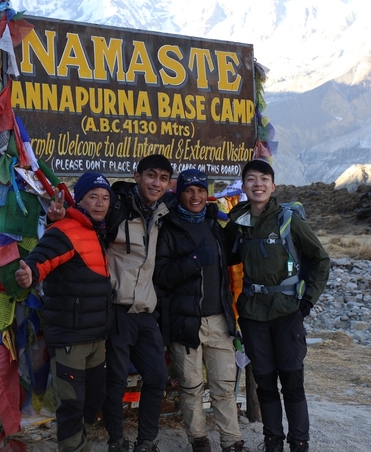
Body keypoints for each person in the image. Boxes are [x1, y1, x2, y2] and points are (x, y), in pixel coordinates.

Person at [225, 160, 330, 452]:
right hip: (252, 314)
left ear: (273, 186)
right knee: (265, 383)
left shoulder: (289, 219)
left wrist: (307, 301)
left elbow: (319, 259)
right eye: (251, 179)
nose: (257, 184)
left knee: (292, 382)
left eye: (263, 179)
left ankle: (299, 442)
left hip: (287, 314)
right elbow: (224, 256)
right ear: (244, 186)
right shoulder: (238, 221)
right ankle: (273, 441)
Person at [14, 172, 114, 452]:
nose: (100, 203)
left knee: (94, 398)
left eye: (105, 198)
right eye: (93, 196)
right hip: (71, 336)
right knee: (72, 402)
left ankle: (81, 443)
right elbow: (40, 260)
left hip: (96, 336)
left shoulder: (97, 231)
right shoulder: (65, 231)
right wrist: (29, 273)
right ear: (79, 200)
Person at [153, 169, 245, 452]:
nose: (196, 196)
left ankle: (232, 442)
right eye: (189, 190)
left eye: (201, 190)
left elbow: (231, 260)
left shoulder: (214, 225)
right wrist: (193, 260)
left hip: (219, 319)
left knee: (223, 386)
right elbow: (161, 276)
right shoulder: (168, 228)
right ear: (179, 193)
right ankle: (199, 441)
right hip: (185, 321)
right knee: (191, 387)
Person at [101, 154, 174, 452]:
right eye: (151, 176)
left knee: (157, 377)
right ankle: (117, 441)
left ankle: (146, 442)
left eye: (163, 178)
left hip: (146, 311)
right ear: (137, 176)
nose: (156, 183)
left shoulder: (161, 215)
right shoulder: (115, 208)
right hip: (117, 309)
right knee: (116, 381)